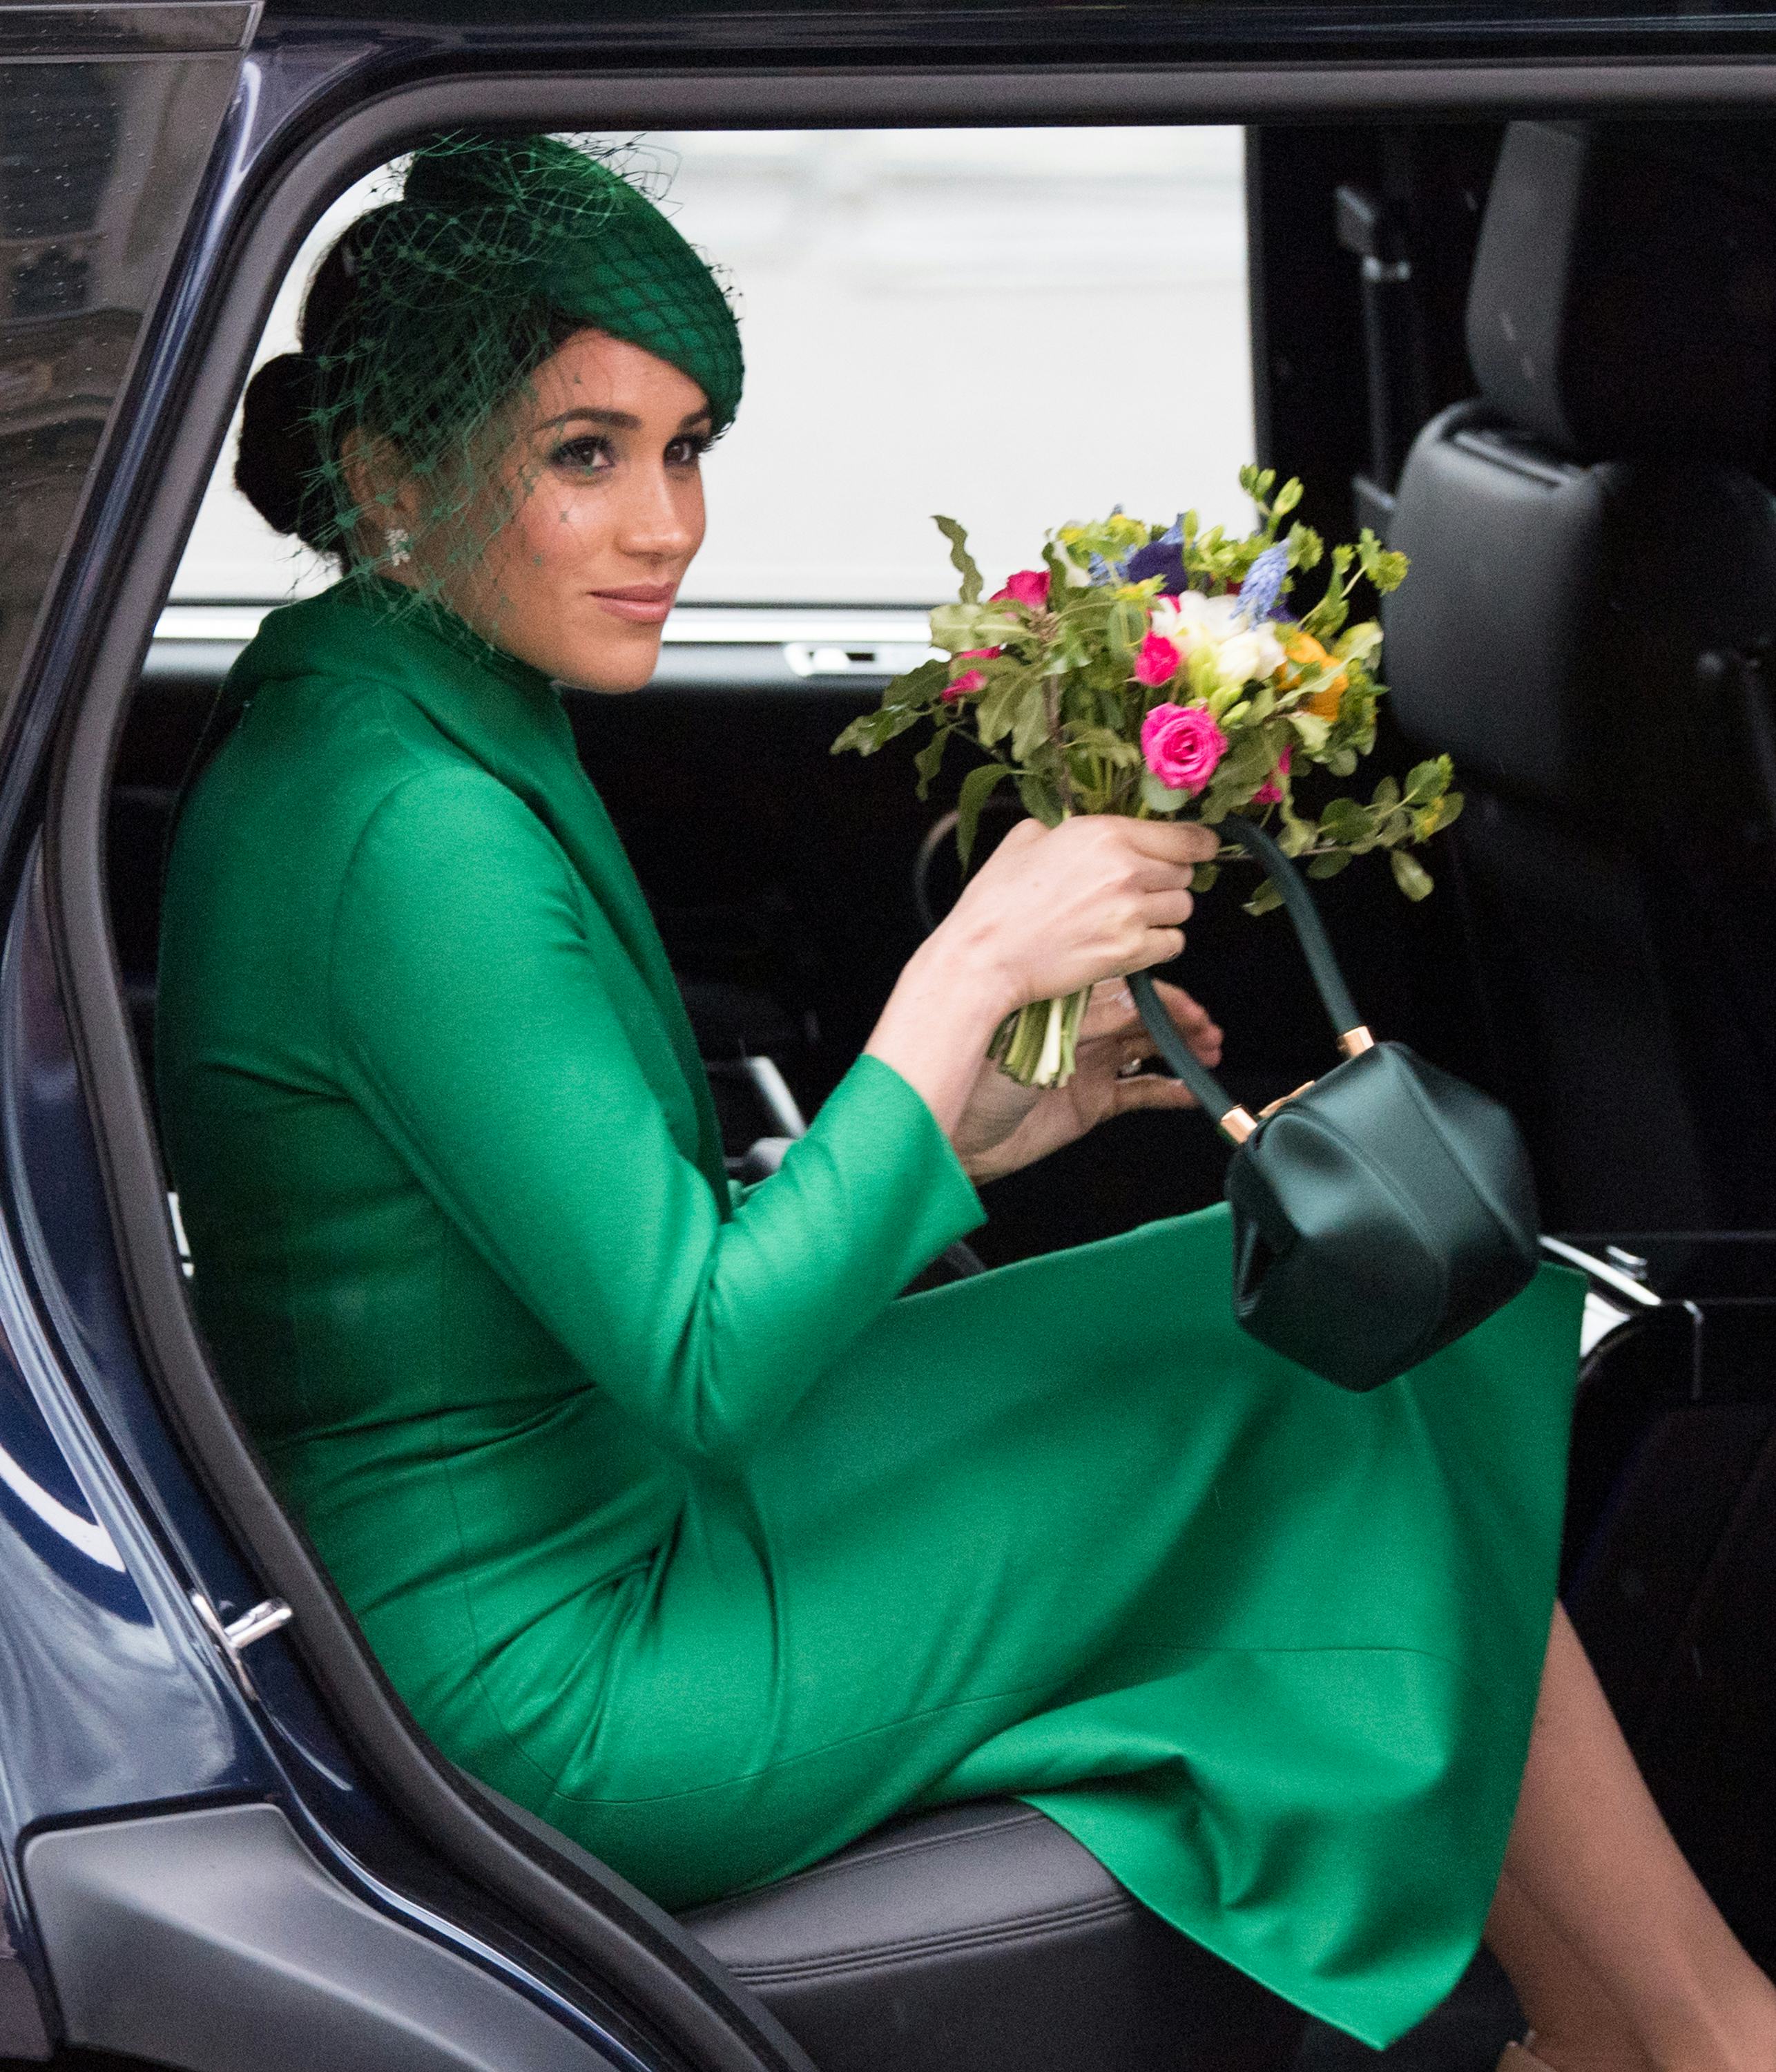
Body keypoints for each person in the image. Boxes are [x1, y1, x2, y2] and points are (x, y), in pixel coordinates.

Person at [155, 134, 1776, 2071]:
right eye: (583, 454)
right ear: (390, 474)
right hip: (563, 1667)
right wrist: (959, 987)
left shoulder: (389, 710)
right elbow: (699, 1357)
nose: (665, 522)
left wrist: (972, 1133)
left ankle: (1633, 2033)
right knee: (1317, 1380)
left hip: (608, 1516)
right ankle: (1702, 2039)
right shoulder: (405, 834)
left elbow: (587, 1247)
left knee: (1378, 1335)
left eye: (687, 448)